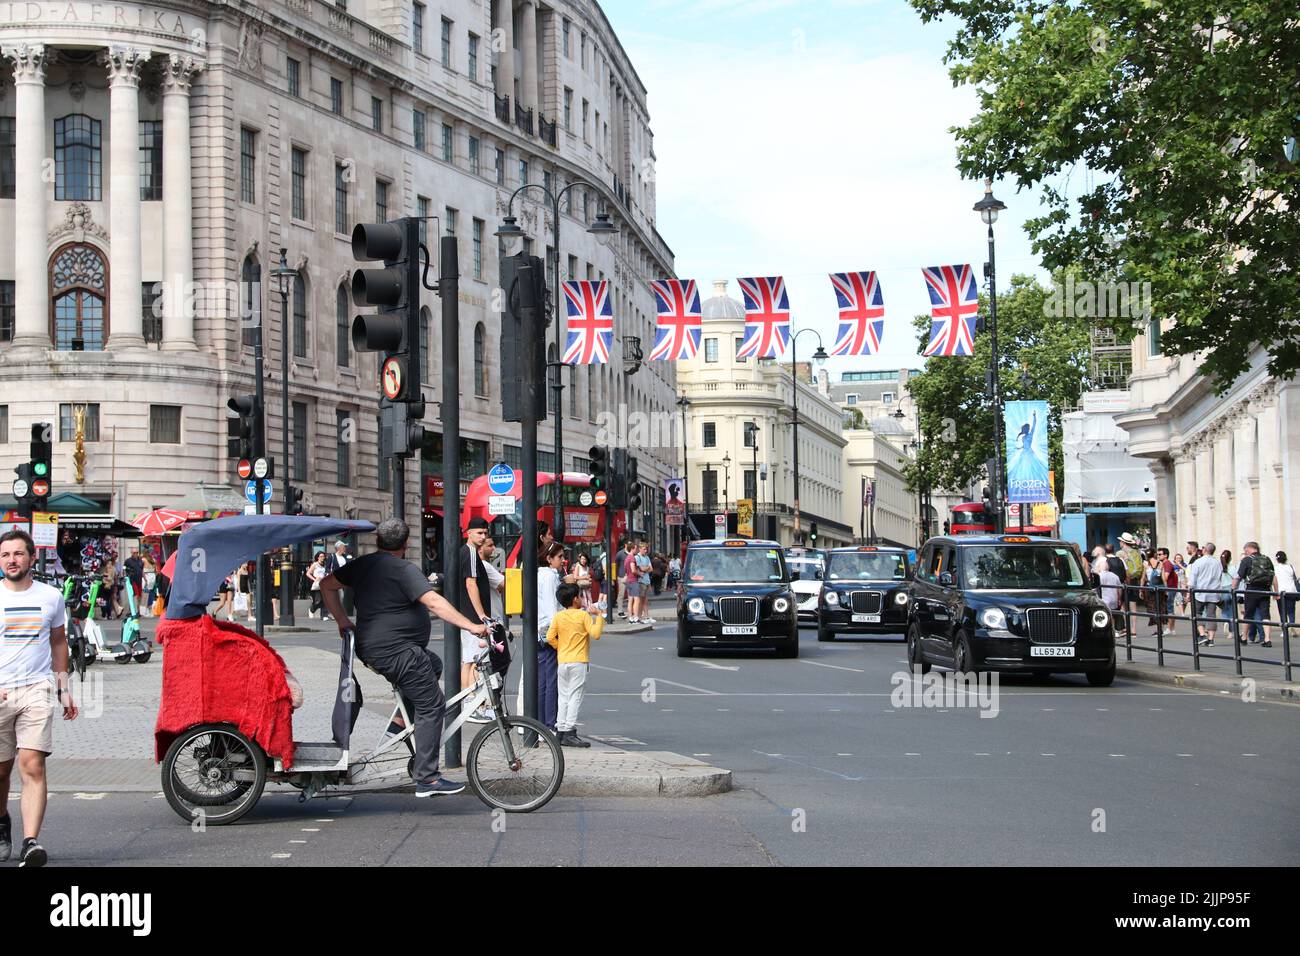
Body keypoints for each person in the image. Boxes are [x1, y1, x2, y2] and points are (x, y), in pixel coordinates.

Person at [321, 519, 487, 798]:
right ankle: (427, 778)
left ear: (378, 542)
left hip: (376, 648)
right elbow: (434, 602)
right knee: (432, 703)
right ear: (406, 544)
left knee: (433, 665)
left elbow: (326, 585)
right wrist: (471, 625)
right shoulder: (404, 569)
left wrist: (342, 620)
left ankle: (401, 721)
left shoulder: (364, 563)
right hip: (395, 651)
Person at [0, 529, 79, 867]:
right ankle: (3, 823)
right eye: (5, 555)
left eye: (18, 554)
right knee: (1, 771)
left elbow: (58, 642)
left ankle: (31, 842)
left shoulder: (51, 596)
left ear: (32, 558)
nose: (11, 560)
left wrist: (62, 688)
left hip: (36, 689)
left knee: (31, 763)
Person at [546, 582, 604, 747]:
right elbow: (596, 634)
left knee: (563, 697)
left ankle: (560, 730)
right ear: (574, 599)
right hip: (579, 661)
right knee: (575, 697)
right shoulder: (583, 615)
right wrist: (599, 615)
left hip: (563, 661)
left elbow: (550, 637)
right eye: (579, 596)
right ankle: (570, 731)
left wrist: (560, 647)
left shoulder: (558, 616)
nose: (580, 598)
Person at [455, 518, 493, 723]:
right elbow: (471, 584)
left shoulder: (466, 552)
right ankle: (474, 705)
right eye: (479, 533)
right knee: (477, 662)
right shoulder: (469, 552)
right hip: (472, 618)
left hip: (467, 616)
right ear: (468, 533)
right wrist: (482, 616)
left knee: (469, 661)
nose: (483, 536)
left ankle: (471, 703)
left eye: (485, 533)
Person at [536, 542, 573, 731]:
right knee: (552, 681)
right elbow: (552, 609)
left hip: (539, 630)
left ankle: (541, 723)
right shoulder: (550, 577)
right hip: (549, 631)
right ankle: (550, 724)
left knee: (542, 681)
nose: (562, 560)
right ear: (549, 559)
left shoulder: (539, 574)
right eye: (559, 557)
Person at [1232, 542, 1273, 646]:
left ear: (1249, 549)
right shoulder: (1267, 559)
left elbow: (1239, 576)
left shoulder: (1247, 560)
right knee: (1265, 614)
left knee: (1248, 614)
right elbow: (1273, 574)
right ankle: (1267, 639)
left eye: (1245, 550)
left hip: (1251, 589)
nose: (1245, 552)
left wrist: (1233, 588)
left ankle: (1244, 637)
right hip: (1265, 589)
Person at [1187, 543, 1223, 646]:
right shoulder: (1217, 563)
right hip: (1214, 592)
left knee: (1197, 613)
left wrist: (1189, 592)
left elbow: (1193, 579)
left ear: (1204, 550)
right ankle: (1211, 639)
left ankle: (1202, 634)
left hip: (1200, 592)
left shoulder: (1198, 562)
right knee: (1211, 615)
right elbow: (1220, 578)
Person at [1274, 551, 1297, 631]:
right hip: (1291, 591)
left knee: (1282, 612)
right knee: (1291, 611)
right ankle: (1292, 626)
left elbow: (1274, 581)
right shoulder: (1291, 567)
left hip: (1280, 592)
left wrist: (1275, 593)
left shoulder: (1275, 568)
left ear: (1277, 559)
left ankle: (1284, 630)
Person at [623, 541, 644, 624]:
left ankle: (630, 618)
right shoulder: (632, 558)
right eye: (635, 548)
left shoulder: (626, 558)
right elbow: (633, 570)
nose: (636, 550)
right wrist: (640, 574)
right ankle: (635, 617)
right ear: (632, 549)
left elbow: (626, 571)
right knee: (637, 599)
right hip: (633, 580)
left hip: (628, 580)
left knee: (630, 600)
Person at [306, 551, 328, 619]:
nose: (322, 558)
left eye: (323, 556)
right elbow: (308, 573)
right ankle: (311, 609)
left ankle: (324, 615)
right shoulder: (315, 564)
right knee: (318, 601)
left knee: (325, 600)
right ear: (317, 557)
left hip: (324, 583)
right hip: (317, 584)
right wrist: (314, 579)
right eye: (321, 556)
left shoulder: (325, 564)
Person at [614, 539, 629, 618]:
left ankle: (631, 610)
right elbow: (615, 564)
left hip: (630, 576)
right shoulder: (620, 553)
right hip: (622, 576)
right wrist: (615, 576)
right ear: (625, 545)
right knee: (621, 594)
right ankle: (620, 610)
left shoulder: (633, 553)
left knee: (632, 594)